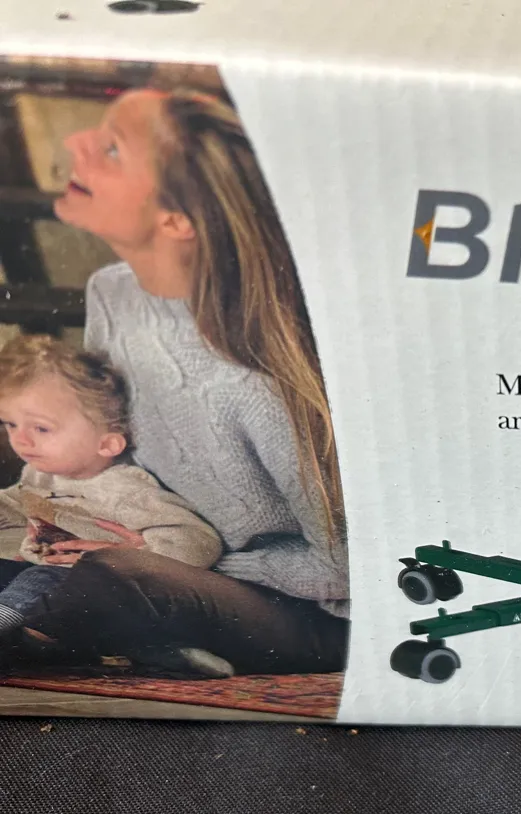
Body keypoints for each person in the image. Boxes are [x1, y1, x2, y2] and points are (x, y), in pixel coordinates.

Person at [14, 86, 348, 675]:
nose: (77, 143)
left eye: (112, 150)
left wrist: (176, 555)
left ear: (174, 220)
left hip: (299, 608)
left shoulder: (255, 387)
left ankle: (31, 630)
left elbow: (349, 568)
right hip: (149, 538)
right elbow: (98, 427)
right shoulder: (112, 291)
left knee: (120, 576)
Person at [0, 335, 226, 669]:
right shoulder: (40, 473)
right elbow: (14, 502)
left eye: (41, 429)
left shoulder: (125, 490)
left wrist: (141, 555)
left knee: (42, 580)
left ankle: (10, 628)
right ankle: (146, 649)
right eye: (10, 424)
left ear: (106, 445)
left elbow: (199, 540)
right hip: (49, 576)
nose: (20, 439)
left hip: (93, 587)